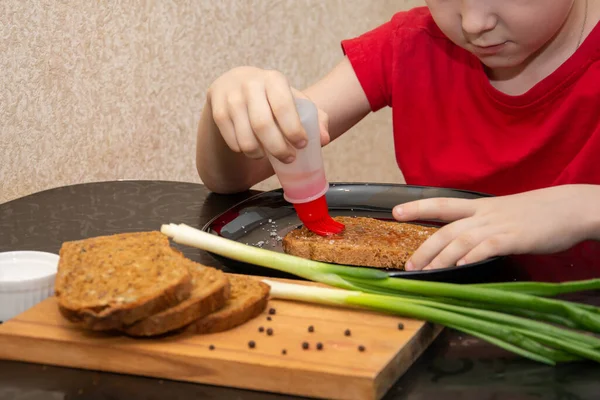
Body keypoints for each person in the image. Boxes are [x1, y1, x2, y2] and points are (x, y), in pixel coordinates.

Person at [196, 0, 600, 282]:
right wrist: (231, 102)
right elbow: (233, 177)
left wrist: (584, 206)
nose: (474, 22)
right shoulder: (412, 44)